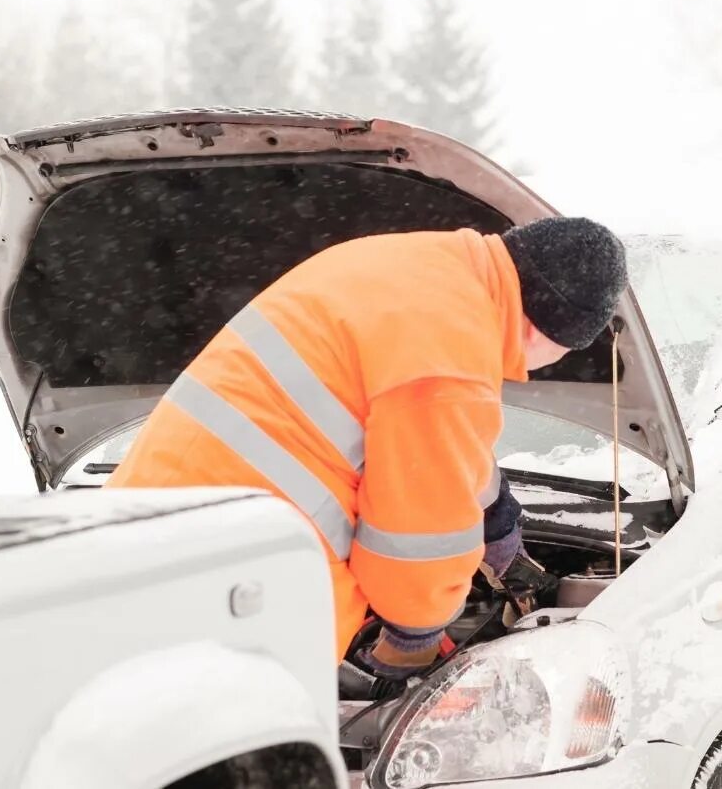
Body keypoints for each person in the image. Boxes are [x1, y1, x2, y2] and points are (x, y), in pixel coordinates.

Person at [106, 217, 628, 682]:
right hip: (241, 580)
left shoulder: (415, 267)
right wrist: (416, 634)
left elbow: (418, 434)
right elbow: (417, 532)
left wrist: (497, 516)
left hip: (141, 529)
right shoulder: (453, 351)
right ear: (549, 330)